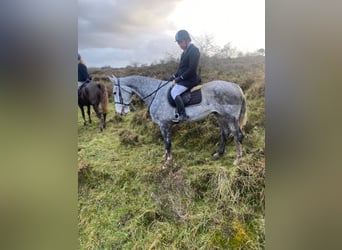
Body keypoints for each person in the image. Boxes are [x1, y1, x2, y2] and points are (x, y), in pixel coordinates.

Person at [168, 30, 201, 122]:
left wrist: (179, 78)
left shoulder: (194, 50)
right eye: (178, 43)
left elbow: (192, 69)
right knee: (169, 87)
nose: (180, 45)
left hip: (190, 79)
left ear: (187, 40)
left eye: (180, 42)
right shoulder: (184, 53)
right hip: (184, 79)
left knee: (174, 92)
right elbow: (181, 69)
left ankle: (183, 115)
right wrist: (173, 76)